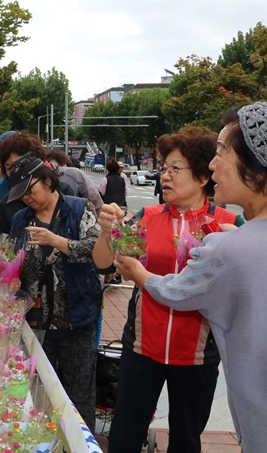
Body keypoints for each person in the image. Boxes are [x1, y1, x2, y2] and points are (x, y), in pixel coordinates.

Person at [112, 103, 267, 452]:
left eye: (175, 168)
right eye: (163, 168)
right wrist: (115, 233)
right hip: (143, 347)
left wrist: (140, 275)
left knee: (186, 439)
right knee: (126, 432)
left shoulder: (229, 232)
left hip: (197, 356)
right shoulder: (147, 215)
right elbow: (110, 259)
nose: (164, 176)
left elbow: (181, 291)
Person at [8, 153, 101, 432]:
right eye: (21, 194)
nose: (27, 198)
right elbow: (13, 261)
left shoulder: (79, 208)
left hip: (77, 319)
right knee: (39, 393)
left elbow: (97, 253)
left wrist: (57, 241)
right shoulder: (20, 220)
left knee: (79, 393)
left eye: (30, 190)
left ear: (48, 180)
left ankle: (81, 445)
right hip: (36, 324)